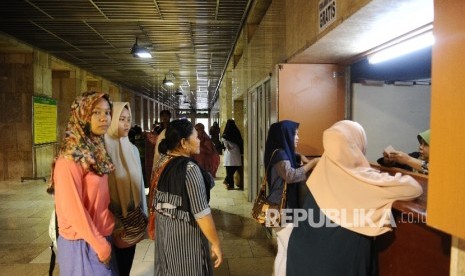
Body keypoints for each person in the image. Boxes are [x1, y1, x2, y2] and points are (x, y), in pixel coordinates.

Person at [286, 120, 423, 276]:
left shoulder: (323, 167)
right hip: (337, 263)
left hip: (299, 255)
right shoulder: (363, 180)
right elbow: (414, 189)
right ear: (357, 145)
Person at [47, 91, 118, 275]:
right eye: (96, 112)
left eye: (107, 112)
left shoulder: (96, 149)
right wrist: (100, 245)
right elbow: (72, 209)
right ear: (82, 115)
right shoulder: (69, 158)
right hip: (82, 243)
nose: (104, 118)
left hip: (100, 237)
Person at [152, 119, 223, 275]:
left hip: (165, 240)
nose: (199, 140)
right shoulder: (189, 169)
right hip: (186, 243)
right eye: (195, 137)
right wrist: (215, 243)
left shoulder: (162, 162)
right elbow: (202, 214)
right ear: (184, 143)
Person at [264, 120, 319, 276]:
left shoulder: (277, 151)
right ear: (285, 134)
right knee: (290, 251)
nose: (297, 137)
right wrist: (313, 162)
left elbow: (291, 157)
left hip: (277, 208)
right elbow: (290, 176)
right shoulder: (280, 155)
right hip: (281, 209)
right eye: (294, 133)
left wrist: (300, 155)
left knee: (283, 251)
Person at [104, 102, 148, 276]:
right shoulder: (101, 151)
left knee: (124, 267)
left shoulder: (133, 150)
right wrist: (115, 222)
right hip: (109, 222)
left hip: (131, 221)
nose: (126, 124)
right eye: (121, 119)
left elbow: (139, 186)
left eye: (128, 119)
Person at [221, 119, 243, 189]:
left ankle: (229, 183)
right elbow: (240, 141)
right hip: (236, 152)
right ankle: (230, 184)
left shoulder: (225, 134)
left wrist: (228, 145)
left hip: (229, 153)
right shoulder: (236, 132)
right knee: (235, 166)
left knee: (229, 168)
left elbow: (226, 146)